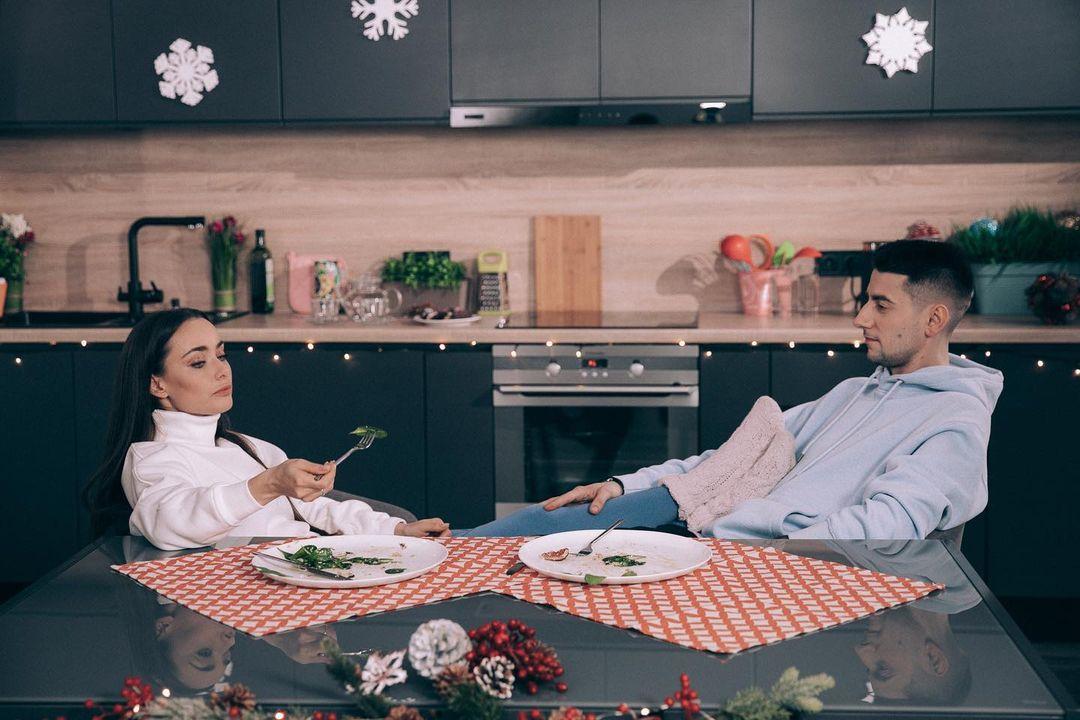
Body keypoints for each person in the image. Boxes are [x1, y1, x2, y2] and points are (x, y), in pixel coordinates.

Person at [462, 240, 1003, 540]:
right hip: (703, 512)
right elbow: (732, 460)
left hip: (738, 546)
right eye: (866, 300)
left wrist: (765, 546)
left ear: (934, 319)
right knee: (538, 525)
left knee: (551, 557)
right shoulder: (856, 392)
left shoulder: (953, 422)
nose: (861, 317)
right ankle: (428, 555)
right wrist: (624, 484)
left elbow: (887, 527)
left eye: (881, 305)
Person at [84, 308, 450, 550]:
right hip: (263, 598)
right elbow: (170, 522)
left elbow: (317, 509)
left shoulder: (246, 446)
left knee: (473, 546)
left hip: (319, 570)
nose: (221, 370)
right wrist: (269, 484)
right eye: (198, 362)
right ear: (158, 384)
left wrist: (396, 530)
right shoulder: (153, 459)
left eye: (221, 354)